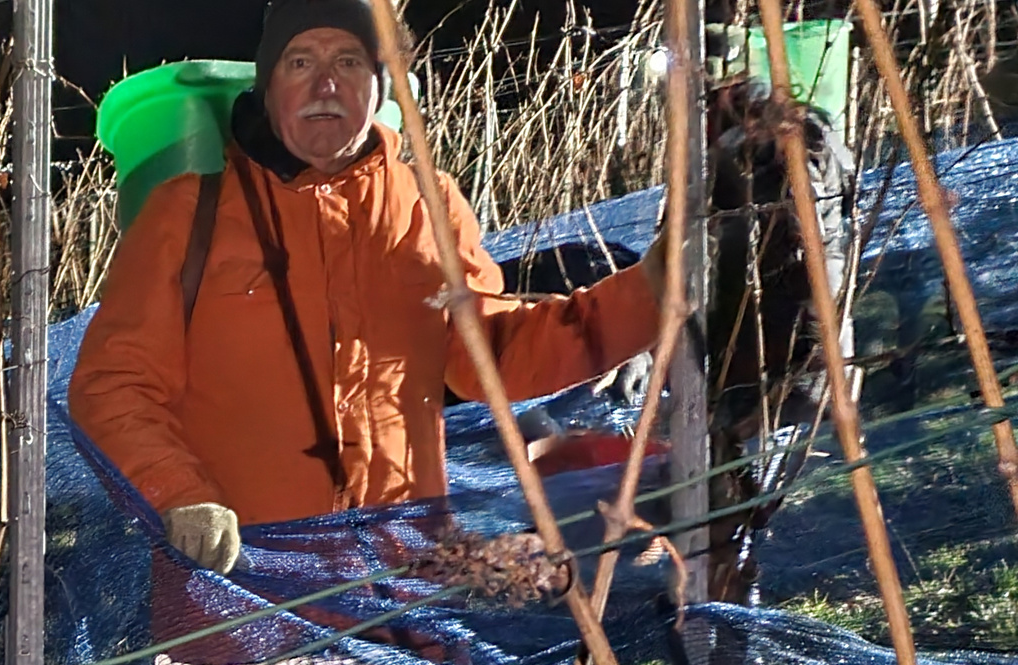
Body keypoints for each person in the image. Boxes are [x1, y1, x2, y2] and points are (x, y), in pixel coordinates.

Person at [69, 0, 670, 575]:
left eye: (349, 63)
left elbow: (492, 352)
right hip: (238, 593)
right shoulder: (186, 214)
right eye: (300, 62)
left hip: (395, 594)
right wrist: (178, 495)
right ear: (267, 86)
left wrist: (649, 293)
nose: (324, 85)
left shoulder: (428, 204)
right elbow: (113, 384)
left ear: (380, 88)